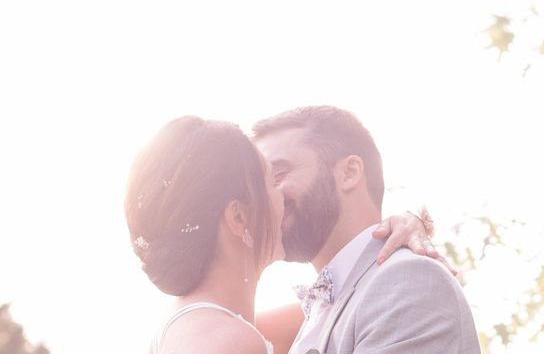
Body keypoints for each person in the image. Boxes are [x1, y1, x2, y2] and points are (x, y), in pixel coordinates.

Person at [124, 115, 441, 354]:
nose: (280, 196)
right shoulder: (224, 340)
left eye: (281, 175)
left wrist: (402, 229)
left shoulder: (210, 323)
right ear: (237, 216)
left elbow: (343, 301)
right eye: (270, 180)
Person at [252, 106, 481, 354]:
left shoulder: (407, 279)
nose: (266, 200)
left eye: (278, 175)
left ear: (349, 173)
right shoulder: (321, 308)